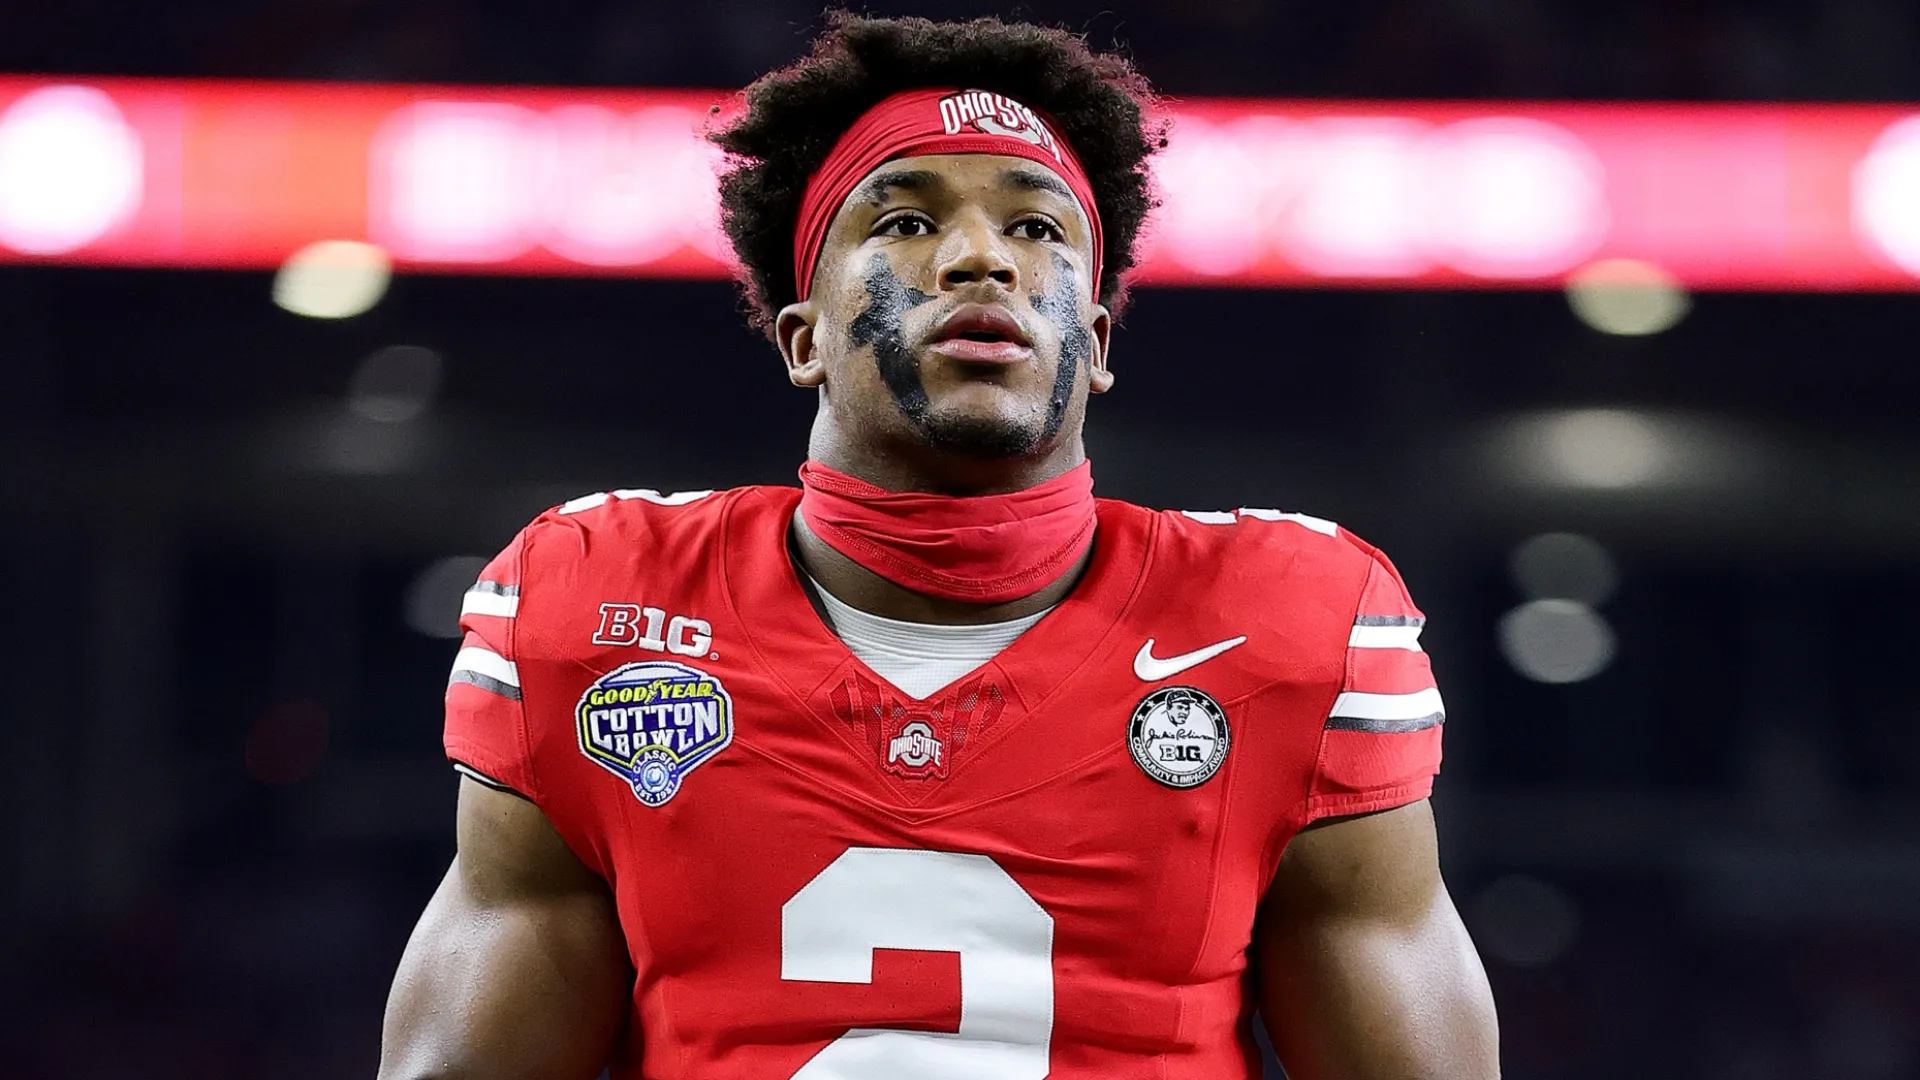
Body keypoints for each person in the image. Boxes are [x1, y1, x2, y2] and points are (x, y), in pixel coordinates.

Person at [378, 12, 1499, 1079]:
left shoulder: (1287, 628)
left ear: (1097, 341)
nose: (981, 260)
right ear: (802, 337)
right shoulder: (594, 607)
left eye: (1036, 226)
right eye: (906, 221)